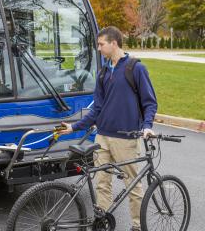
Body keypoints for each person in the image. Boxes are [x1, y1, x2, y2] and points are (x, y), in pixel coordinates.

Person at [60, 26, 157, 231]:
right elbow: (97, 108)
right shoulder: (103, 71)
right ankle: (101, 222)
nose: (99, 48)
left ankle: (138, 226)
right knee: (102, 183)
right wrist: (74, 127)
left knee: (133, 185)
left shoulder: (135, 68)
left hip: (126, 138)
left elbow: (149, 102)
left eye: (101, 44)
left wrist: (147, 126)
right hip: (102, 137)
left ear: (114, 43)